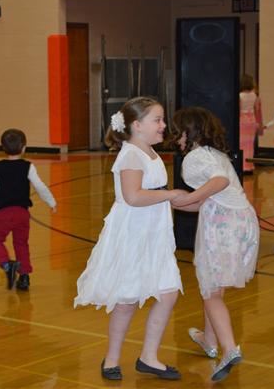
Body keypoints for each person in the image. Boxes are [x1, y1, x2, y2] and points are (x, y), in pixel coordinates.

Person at [74, 97, 187, 381]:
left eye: (162, 120)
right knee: (126, 300)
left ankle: (149, 357)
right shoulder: (131, 155)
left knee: (168, 292)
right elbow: (133, 196)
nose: (163, 125)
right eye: (157, 120)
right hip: (133, 233)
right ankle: (111, 359)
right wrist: (172, 194)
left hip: (154, 233)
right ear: (137, 125)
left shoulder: (149, 151)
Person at [168, 106, 259, 382]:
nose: (176, 138)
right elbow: (213, 198)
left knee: (211, 292)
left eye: (178, 132)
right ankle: (209, 341)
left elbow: (218, 184)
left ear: (188, 132)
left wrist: (184, 199)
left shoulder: (194, 159)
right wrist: (180, 202)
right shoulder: (215, 155)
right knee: (213, 285)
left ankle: (229, 349)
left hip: (223, 226)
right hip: (241, 220)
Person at [0, 129, 56, 291]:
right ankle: (24, 277)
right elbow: (40, 186)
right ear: (24, 147)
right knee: (21, 244)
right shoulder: (28, 167)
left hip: (3, 214)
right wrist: (51, 202)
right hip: (22, 214)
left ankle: (6, 265)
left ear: (2, 147)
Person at [239, 74, 263, 173]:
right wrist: (259, 124)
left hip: (242, 120)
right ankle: (249, 166)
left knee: (241, 144)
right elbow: (257, 110)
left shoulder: (240, 96)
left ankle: (242, 166)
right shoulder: (255, 96)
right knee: (250, 144)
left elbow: (239, 109)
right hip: (252, 120)